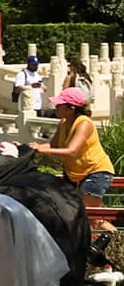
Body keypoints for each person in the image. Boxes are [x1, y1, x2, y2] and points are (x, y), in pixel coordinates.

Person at [33, 87, 116, 230]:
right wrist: (33, 148)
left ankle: (118, 242)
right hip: (76, 174)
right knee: (72, 214)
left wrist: (41, 150)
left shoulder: (84, 123)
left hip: (96, 171)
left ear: (70, 108)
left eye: (59, 105)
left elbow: (72, 151)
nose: (56, 107)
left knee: (91, 219)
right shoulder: (64, 123)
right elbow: (53, 145)